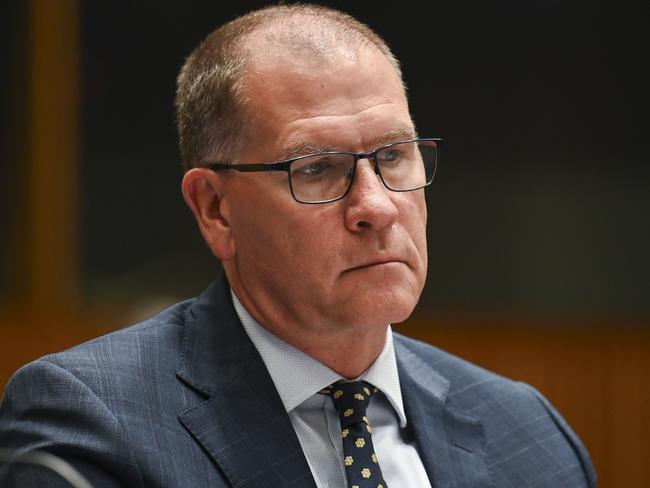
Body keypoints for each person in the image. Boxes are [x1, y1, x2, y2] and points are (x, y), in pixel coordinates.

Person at [0, 4, 596, 487]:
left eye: (393, 155)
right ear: (215, 208)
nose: (377, 206)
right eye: (317, 169)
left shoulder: (529, 435)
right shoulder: (92, 424)